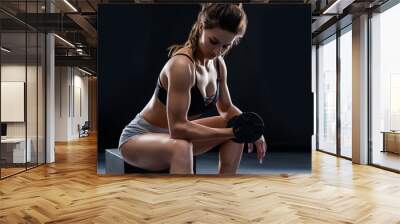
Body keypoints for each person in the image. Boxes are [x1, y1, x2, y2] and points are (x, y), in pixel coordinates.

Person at [118, 3, 266, 174]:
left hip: (175, 138)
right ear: (202, 27)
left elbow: (226, 108)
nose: (218, 51)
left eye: (226, 46)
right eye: (214, 41)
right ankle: (186, 199)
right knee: (182, 145)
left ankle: (225, 190)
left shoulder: (218, 65)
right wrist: (232, 132)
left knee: (234, 121)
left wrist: (251, 128)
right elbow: (178, 129)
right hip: (139, 139)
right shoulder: (182, 65)